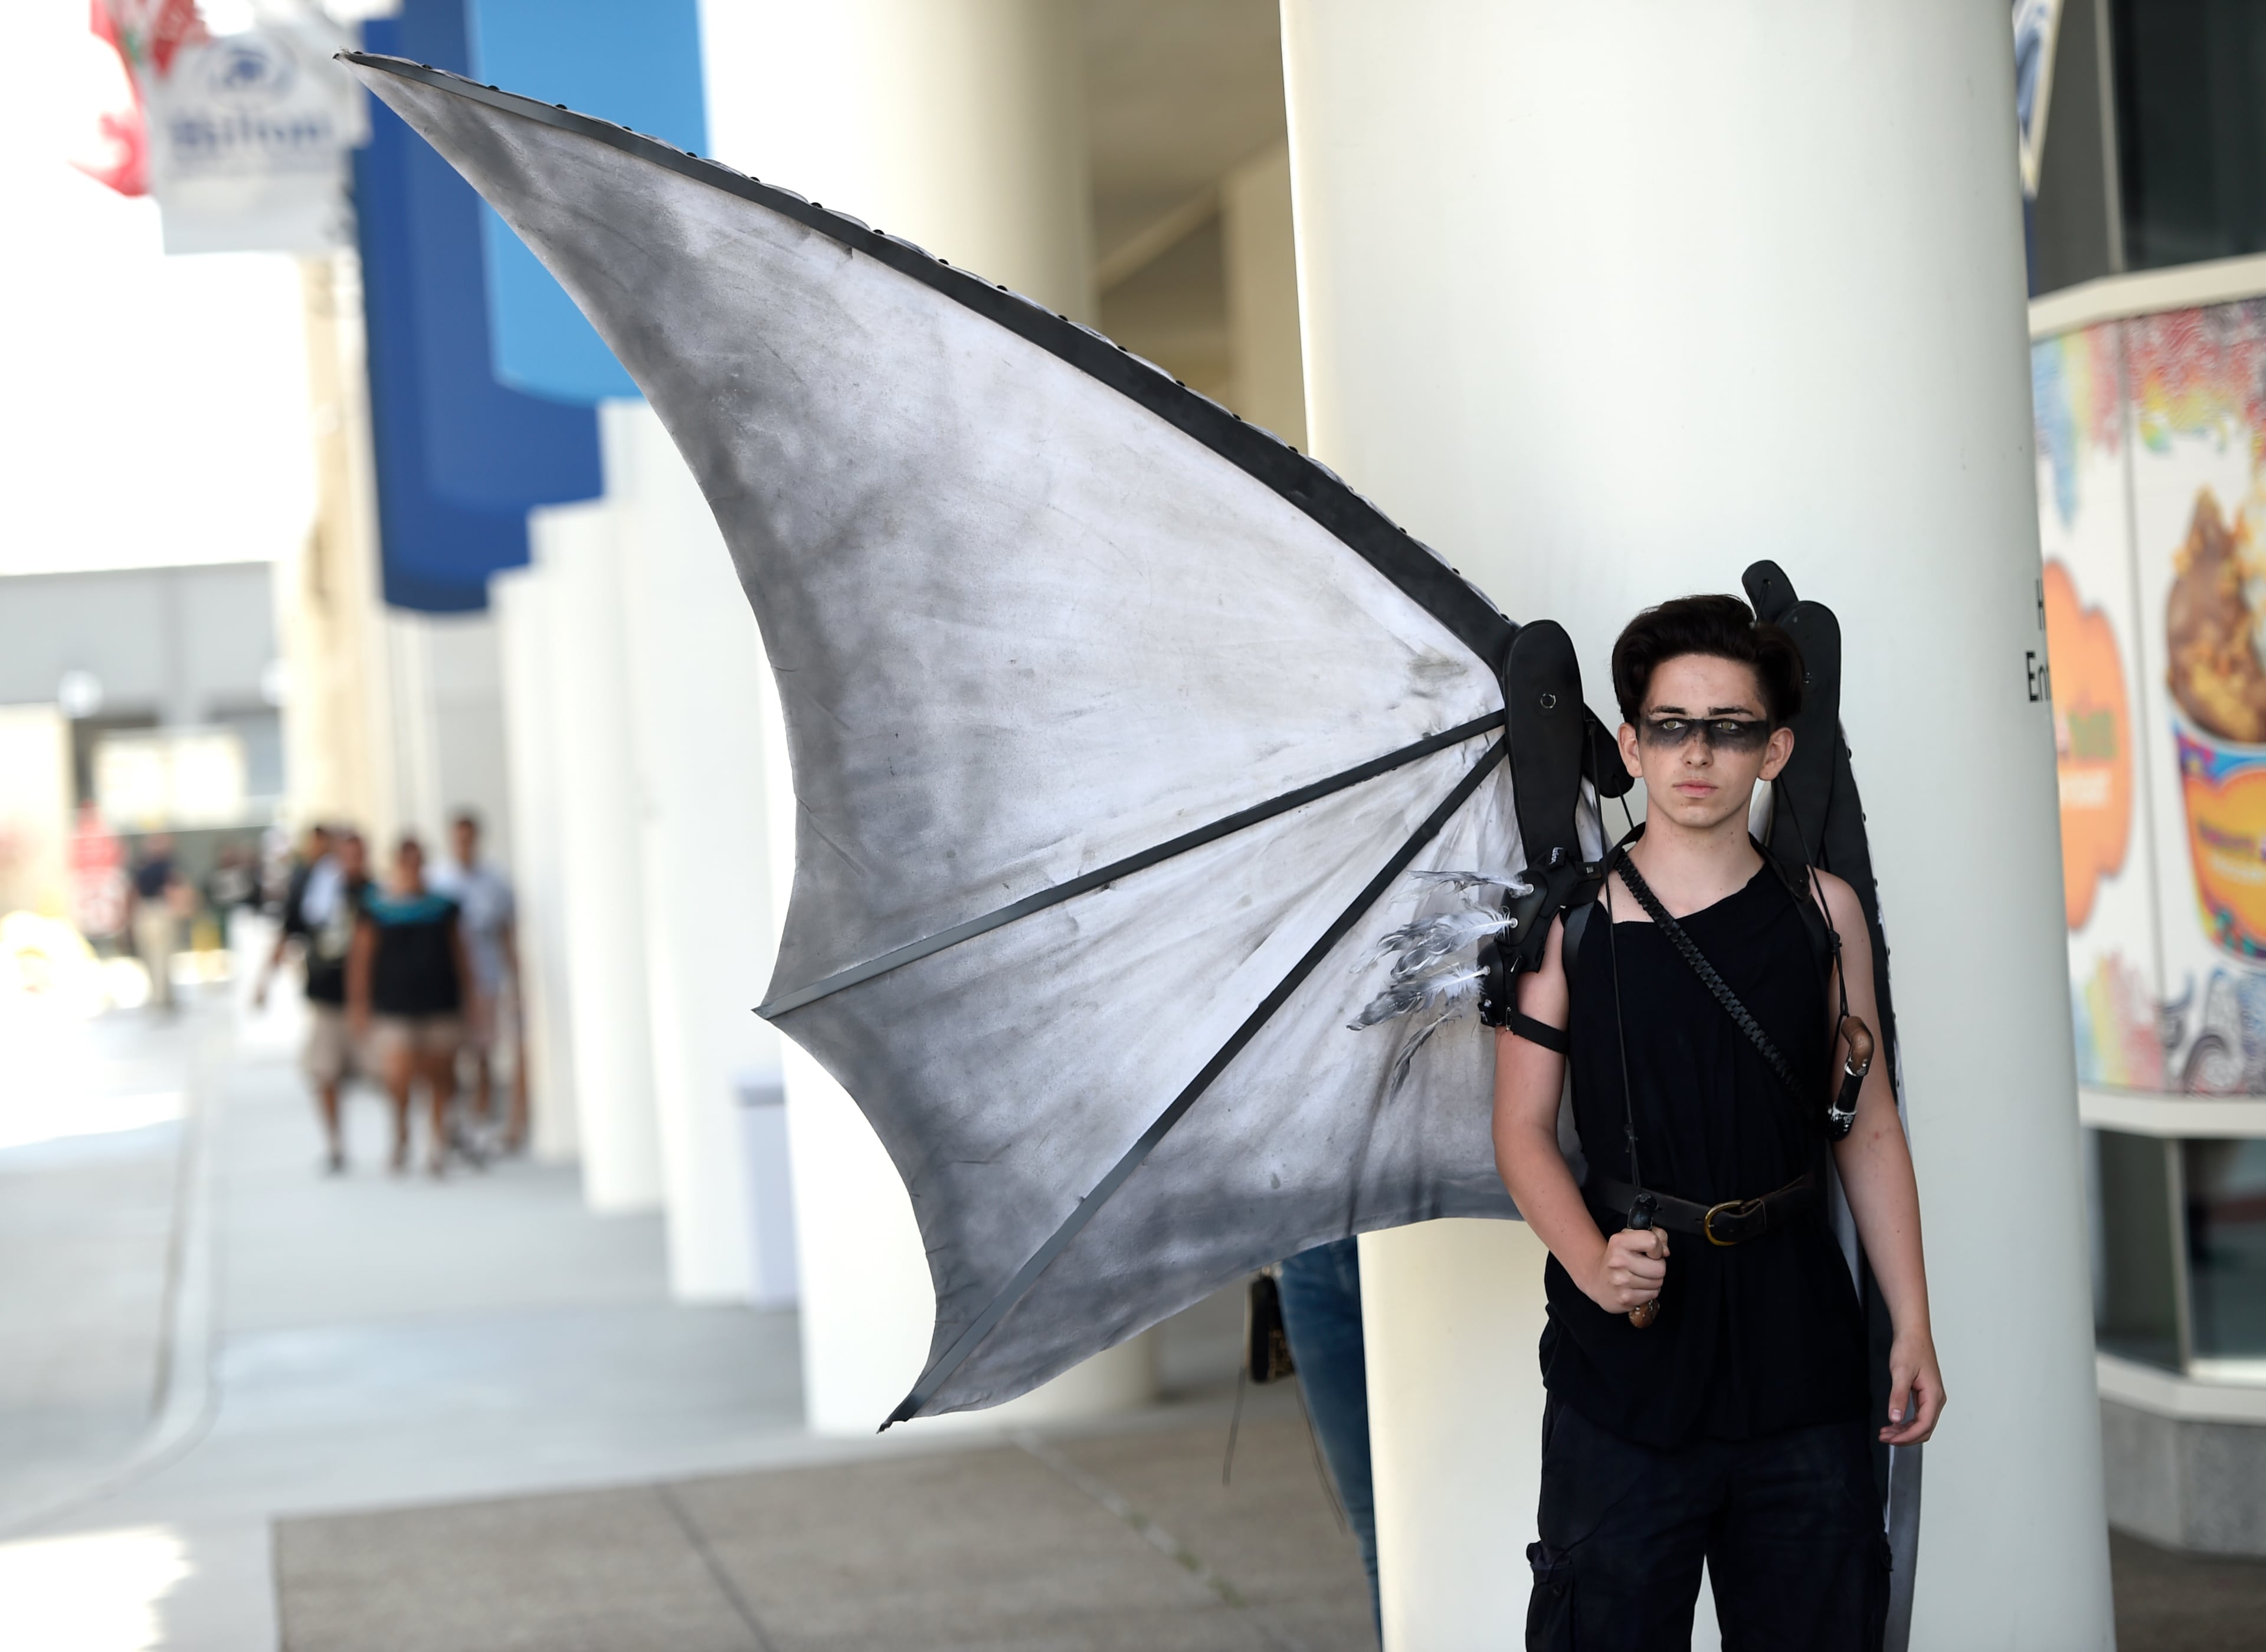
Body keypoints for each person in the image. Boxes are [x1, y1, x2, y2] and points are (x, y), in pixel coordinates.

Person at [1492, 595, 1944, 1651]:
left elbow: (1868, 1126)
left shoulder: (1824, 914)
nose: (1697, 753)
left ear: (1774, 750)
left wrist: (1912, 1321)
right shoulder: (1570, 923)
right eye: (1671, 726)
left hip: (1799, 1345)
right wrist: (1594, 1263)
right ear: (1631, 746)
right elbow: (1520, 1130)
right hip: (1628, 1355)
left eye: (1730, 728)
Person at [349, 834, 472, 1177]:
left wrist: (473, 999)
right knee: (399, 1075)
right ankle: (401, 1133)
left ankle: (437, 1144)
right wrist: (359, 1005)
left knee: (440, 1076)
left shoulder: (442, 906)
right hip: (394, 1005)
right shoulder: (377, 908)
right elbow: (361, 959)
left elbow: (461, 955)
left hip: (439, 1003)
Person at [257, 827, 366, 1172]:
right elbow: (289, 931)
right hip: (328, 998)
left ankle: (406, 1141)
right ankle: (336, 1145)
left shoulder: (375, 893)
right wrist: (264, 982)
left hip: (373, 1003)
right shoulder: (313, 889)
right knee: (325, 1073)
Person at [430, 809, 526, 1153]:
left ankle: (480, 1124)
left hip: (484, 979)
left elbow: (506, 935)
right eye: (458, 839)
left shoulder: (495, 883)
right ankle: (449, 1125)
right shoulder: (437, 880)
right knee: (446, 1056)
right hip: (446, 984)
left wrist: (516, 982)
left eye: (468, 838)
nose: (464, 845)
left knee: (482, 1053)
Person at [127, 834, 183, 1012]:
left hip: (157, 911)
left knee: (161, 956)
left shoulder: (165, 866)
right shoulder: (147, 866)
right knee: (154, 956)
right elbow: (134, 892)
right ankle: (160, 995)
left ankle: (162, 996)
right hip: (151, 911)